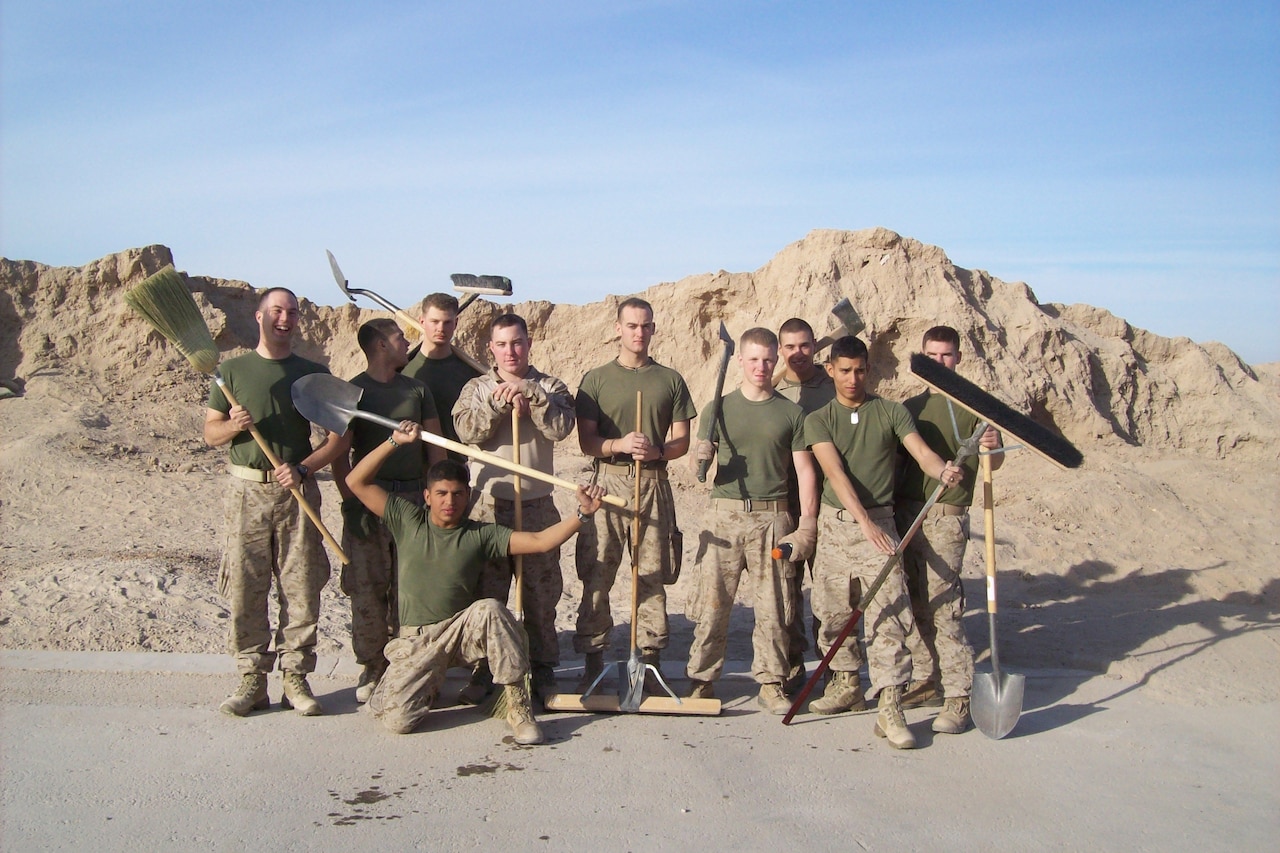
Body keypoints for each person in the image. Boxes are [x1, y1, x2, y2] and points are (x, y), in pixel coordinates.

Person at [347, 423, 604, 744]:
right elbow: (355, 481)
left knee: (491, 610)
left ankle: (517, 704)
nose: (449, 501)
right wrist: (393, 441)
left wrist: (582, 515)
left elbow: (540, 540)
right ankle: (412, 685)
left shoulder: (479, 534)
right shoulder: (406, 519)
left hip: (459, 636)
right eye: (441, 494)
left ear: (468, 496)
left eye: (457, 494)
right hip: (417, 642)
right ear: (427, 496)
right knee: (399, 721)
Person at [804, 335, 965, 749]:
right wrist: (862, 523)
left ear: (868, 371)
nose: (852, 379)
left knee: (889, 615)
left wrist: (941, 471)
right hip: (840, 527)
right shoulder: (818, 419)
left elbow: (921, 453)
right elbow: (835, 474)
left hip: (881, 525)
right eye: (844, 371)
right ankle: (846, 685)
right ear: (831, 371)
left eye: (860, 370)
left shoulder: (891, 412)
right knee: (833, 614)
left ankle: (890, 705)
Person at [204, 287, 334, 718]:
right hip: (246, 493)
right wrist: (234, 427)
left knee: (301, 587)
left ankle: (295, 677)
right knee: (246, 585)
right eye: (276, 311)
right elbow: (211, 434)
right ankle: (252, 679)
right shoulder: (231, 372)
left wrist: (304, 468)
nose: (285, 318)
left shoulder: (312, 373)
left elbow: (338, 439)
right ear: (259, 316)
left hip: (296, 490)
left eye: (292, 312)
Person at [685, 328, 819, 713]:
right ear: (740, 361)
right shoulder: (717, 409)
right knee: (712, 605)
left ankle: (772, 682)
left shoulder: (791, 413)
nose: (761, 366)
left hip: (772, 517)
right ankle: (702, 679)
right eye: (753, 359)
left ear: (775, 360)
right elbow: (696, 470)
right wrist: (701, 455)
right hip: (723, 516)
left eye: (767, 359)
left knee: (776, 608)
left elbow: (804, 471)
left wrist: (806, 523)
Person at [318, 318, 446, 704]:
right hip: (368, 503)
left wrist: (434, 498)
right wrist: (348, 500)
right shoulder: (353, 392)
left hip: (411, 500)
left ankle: (409, 666)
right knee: (368, 588)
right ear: (379, 346)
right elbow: (340, 454)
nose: (406, 342)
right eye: (398, 337)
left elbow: (435, 451)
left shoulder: (417, 389)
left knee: (411, 588)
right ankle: (372, 665)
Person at [453, 313, 576, 706]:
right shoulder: (476, 387)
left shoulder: (551, 385)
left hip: (536, 504)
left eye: (517, 342)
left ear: (529, 344)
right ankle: (485, 669)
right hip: (488, 506)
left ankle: (542, 669)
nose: (510, 351)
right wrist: (495, 404)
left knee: (541, 595)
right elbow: (466, 431)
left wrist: (533, 398)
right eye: (502, 344)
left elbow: (561, 427)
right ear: (491, 348)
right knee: (487, 594)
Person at [573, 297, 696, 689]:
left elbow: (681, 442)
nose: (638, 333)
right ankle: (594, 659)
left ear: (654, 329)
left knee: (651, 573)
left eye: (645, 326)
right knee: (598, 571)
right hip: (607, 482)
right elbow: (587, 442)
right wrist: (619, 444)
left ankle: (648, 661)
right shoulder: (595, 380)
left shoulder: (670, 380)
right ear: (617, 329)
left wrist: (657, 451)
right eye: (631, 326)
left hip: (653, 483)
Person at [894, 325, 1002, 735]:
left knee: (943, 602)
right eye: (932, 357)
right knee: (914, 601)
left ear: (958, 358)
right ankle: (927, 677)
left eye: (947, 356)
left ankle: (959, 694)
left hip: (946, 516)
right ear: (921, 358)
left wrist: (992, 447)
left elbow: (995, 465)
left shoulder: (976, 409)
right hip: (908, 512)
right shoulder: (910, 407)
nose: (939, 363)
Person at [775, 317, 838, 693]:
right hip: (786, 500)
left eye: (804, 346)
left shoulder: (834, 389)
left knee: (830, 590)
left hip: (828, 501)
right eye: (790, 347)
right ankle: (794, 665)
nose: (798, 353)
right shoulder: (773, 389)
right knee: (788, 589)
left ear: (815, 346)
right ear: (780, 350)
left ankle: (834, 669)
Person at [402, 293, 482, 461]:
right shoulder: (405, 371)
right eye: (434, 322)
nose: (441, 328)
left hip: (456, 466)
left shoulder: (470, 373)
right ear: (422, 322)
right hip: (412, 467)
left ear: (456, 323)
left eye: (447, 322)